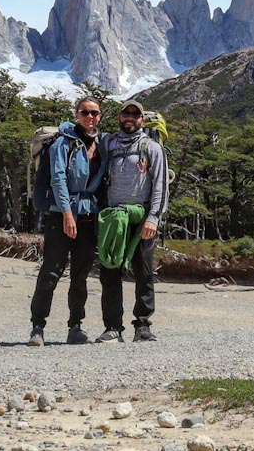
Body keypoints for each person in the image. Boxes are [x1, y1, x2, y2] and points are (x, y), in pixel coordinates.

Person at [28, 97, 105, 346]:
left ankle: (76, 326)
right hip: (62, 215)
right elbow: (58, 178)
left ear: (100, 116)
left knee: (80, 274)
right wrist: (67, 213)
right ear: (77, 114)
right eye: (85, 112)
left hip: (89, 215)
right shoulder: (63, 142)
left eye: (94, 113)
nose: (90, 117)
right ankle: (37, 327)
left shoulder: (102, 143)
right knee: (51, 271)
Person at [95, 100, 169, 343]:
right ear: (119, 117)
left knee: (144, 272)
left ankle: (143, 325)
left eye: (135, 115)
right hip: (114, 217)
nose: (130, 118)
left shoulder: (152, 148)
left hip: (142, 219)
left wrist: (153, 218)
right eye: (126, 113)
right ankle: (113, 327)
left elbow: (160, 185)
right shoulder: (109, 144)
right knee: (110, 271)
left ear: (142, 119)